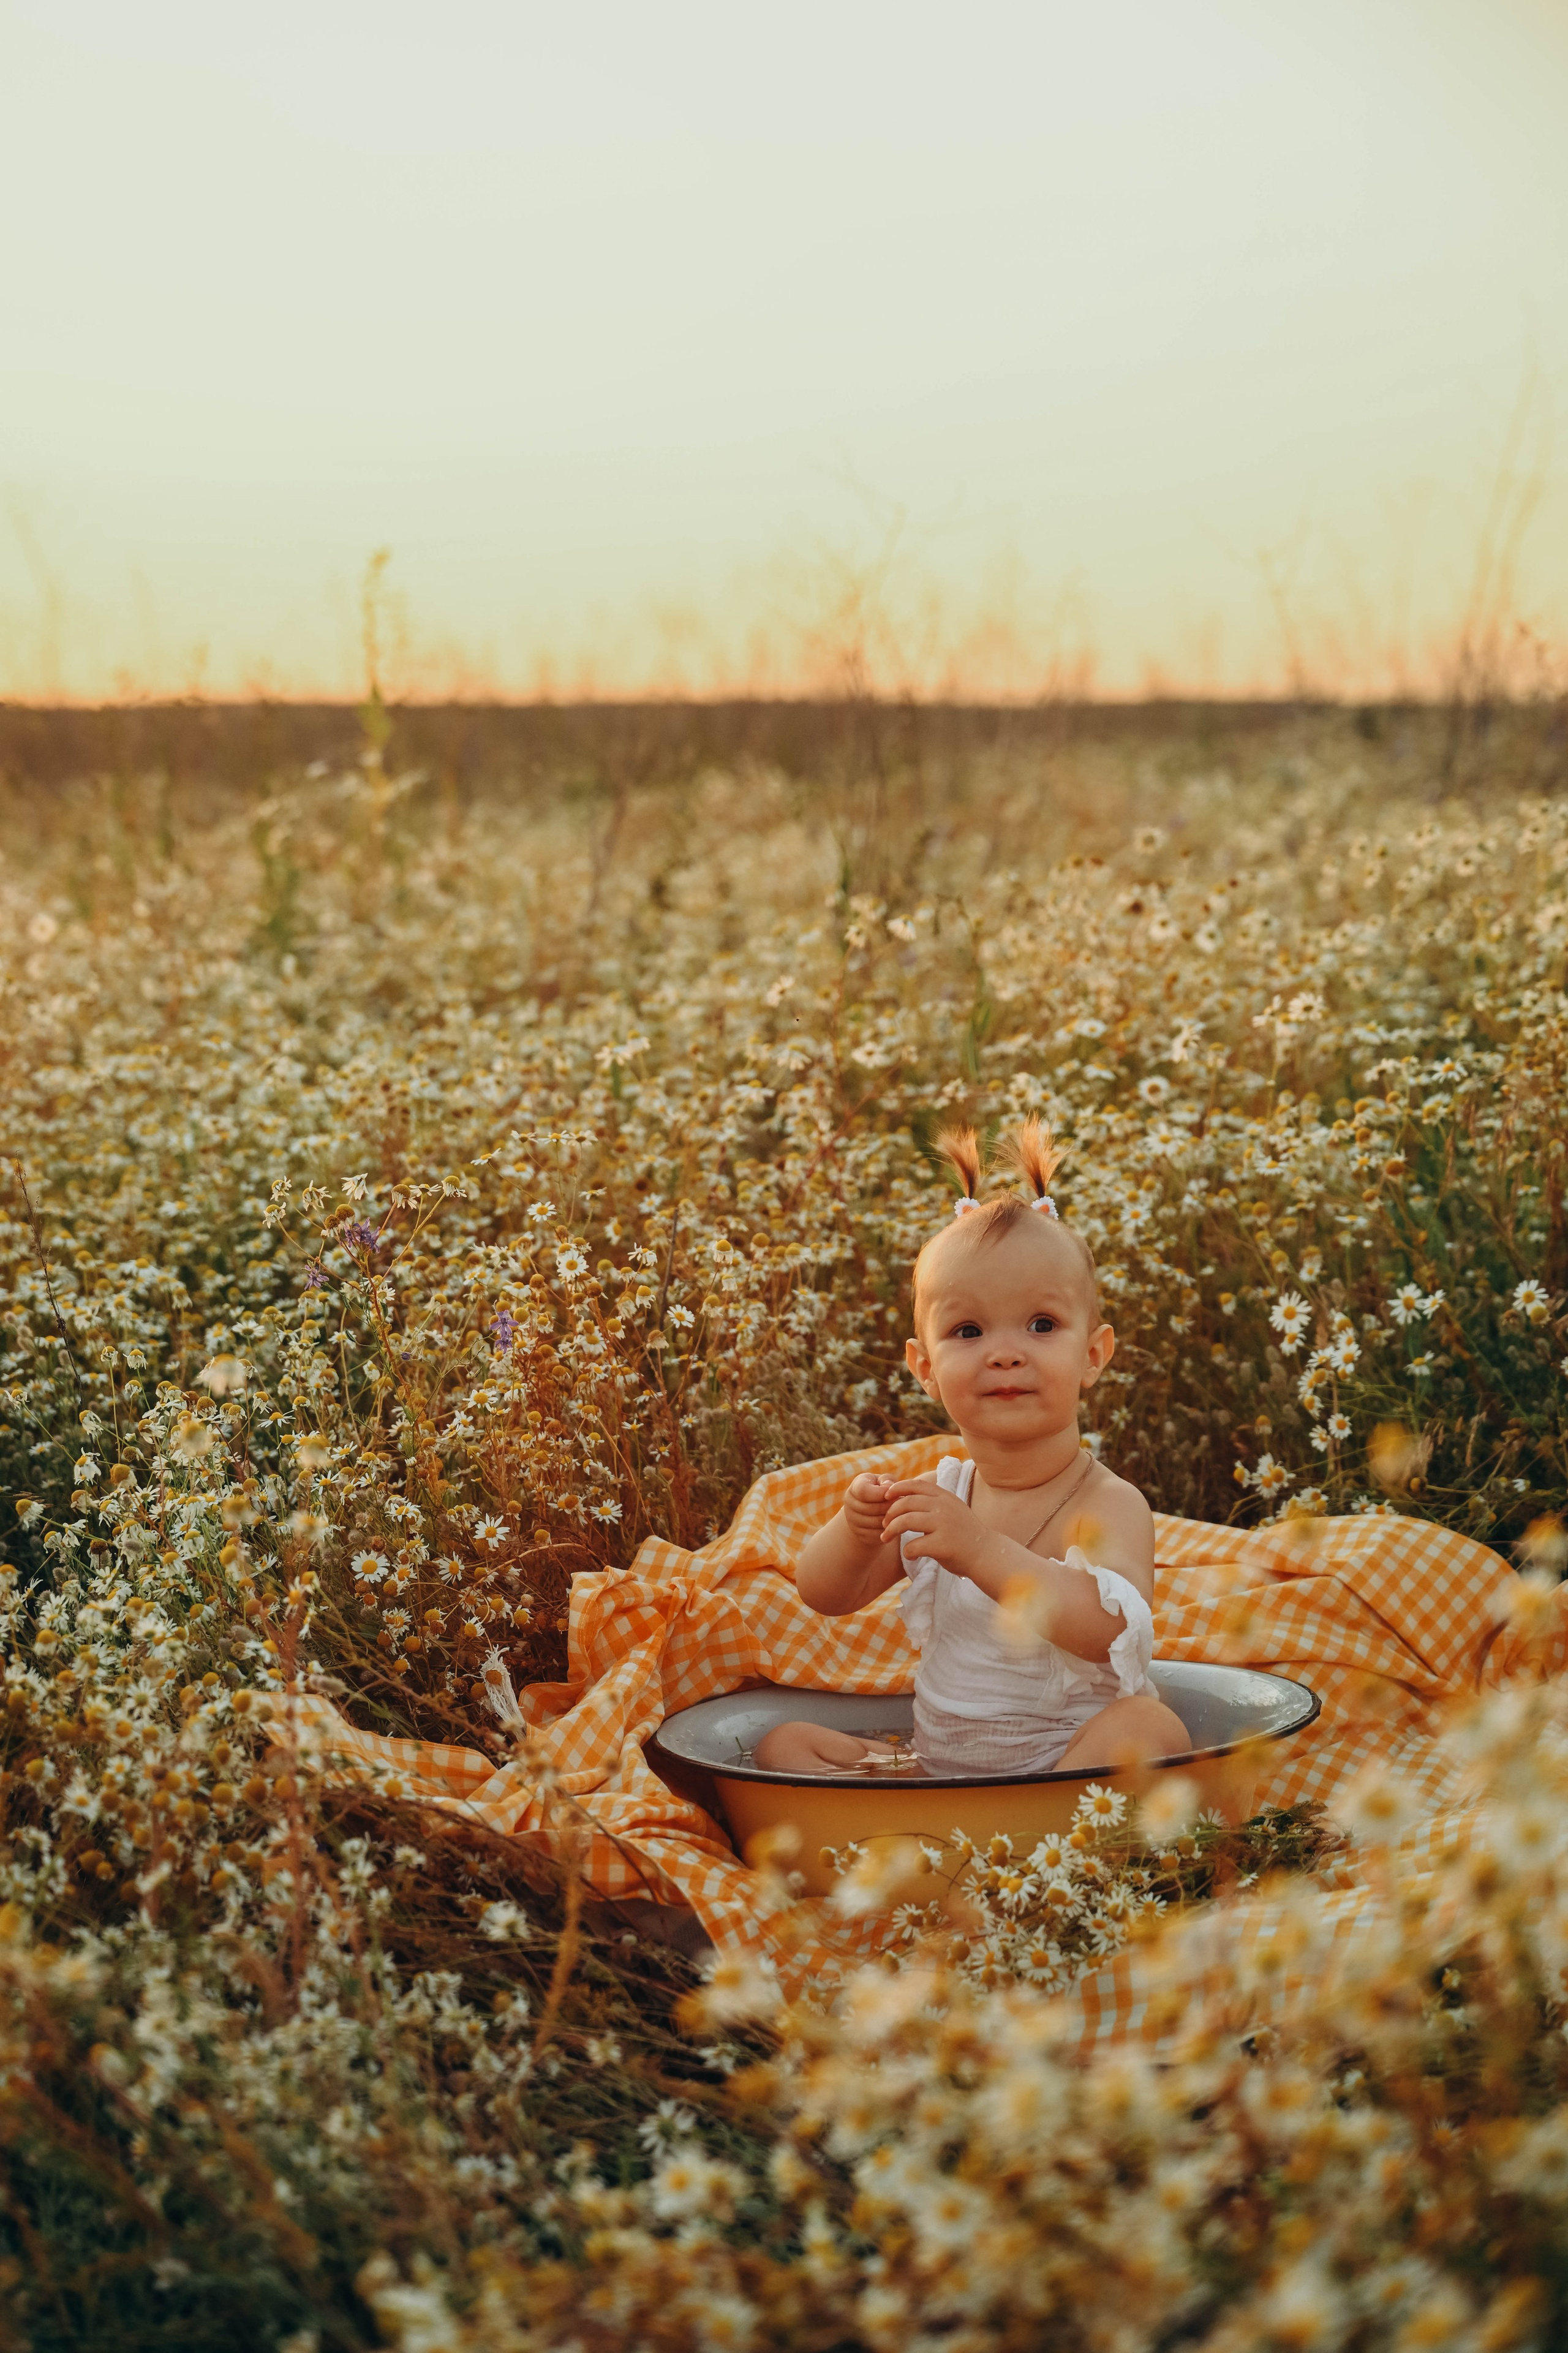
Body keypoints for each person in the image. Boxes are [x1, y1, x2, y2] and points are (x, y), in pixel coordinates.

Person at [753, 1119, 1191, 1778]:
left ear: (1093, 1355)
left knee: (1151, 1729)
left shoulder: (1106, 1502)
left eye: (1041, 1324)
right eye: (968, 1329)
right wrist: (854, 1529)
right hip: (941, 1766)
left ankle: (1038, 1846)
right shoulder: (946, 1494)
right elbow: (823, 1594)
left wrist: (979, 1549)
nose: (1005, 1351)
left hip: (1068, 1766)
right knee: (784, 1745)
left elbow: (1109, 1632)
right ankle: (961, 1836)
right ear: (924, 1367)